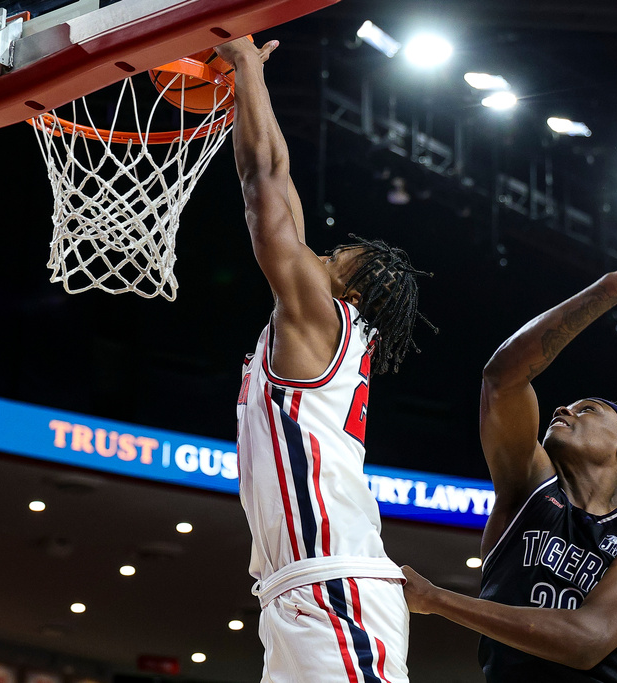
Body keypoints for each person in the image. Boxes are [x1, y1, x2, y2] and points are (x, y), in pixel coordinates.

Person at [401, 259, 617, 682]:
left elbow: (586, 641)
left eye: (587, 409)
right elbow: (502, 378)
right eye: (569, 405)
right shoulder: (528, 490)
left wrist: (437, 599)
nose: (562, 408)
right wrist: (612, 287)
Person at [217, 36, 433, 682]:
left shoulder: (323, 318)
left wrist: (247, 70)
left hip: (332, 586)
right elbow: (277, 177)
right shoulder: (323, 324)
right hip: (302, 588)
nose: (316, 256)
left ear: (350, 292)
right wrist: (245, 82)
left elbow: (262, 196)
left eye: (332, 258)